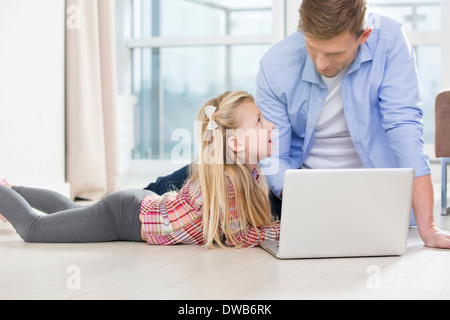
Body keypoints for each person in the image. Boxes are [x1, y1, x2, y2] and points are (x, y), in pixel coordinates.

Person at [144, 0, 450, 249]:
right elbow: (275, 154)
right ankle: (135, 201)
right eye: (312, 48)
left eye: (334, 53)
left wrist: (428, 226)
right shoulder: (276, 64)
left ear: (364, 35)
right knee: (218, 165)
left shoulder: (390, 40)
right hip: (294, 187)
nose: (321, 64)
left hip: (370, 189)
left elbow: (405, 129)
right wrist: (307, 203)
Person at [0, 91, 279, 249]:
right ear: (235, 143)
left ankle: (11, 190)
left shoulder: (252, 175)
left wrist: (275, 229)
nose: (271, 126)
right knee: (33, 228)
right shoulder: (227, 181)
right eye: (259, 121)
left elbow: (243, 229)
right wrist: (279, 232)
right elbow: (237, 237)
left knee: (71, 210)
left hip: (136, 205)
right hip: (122, 217)